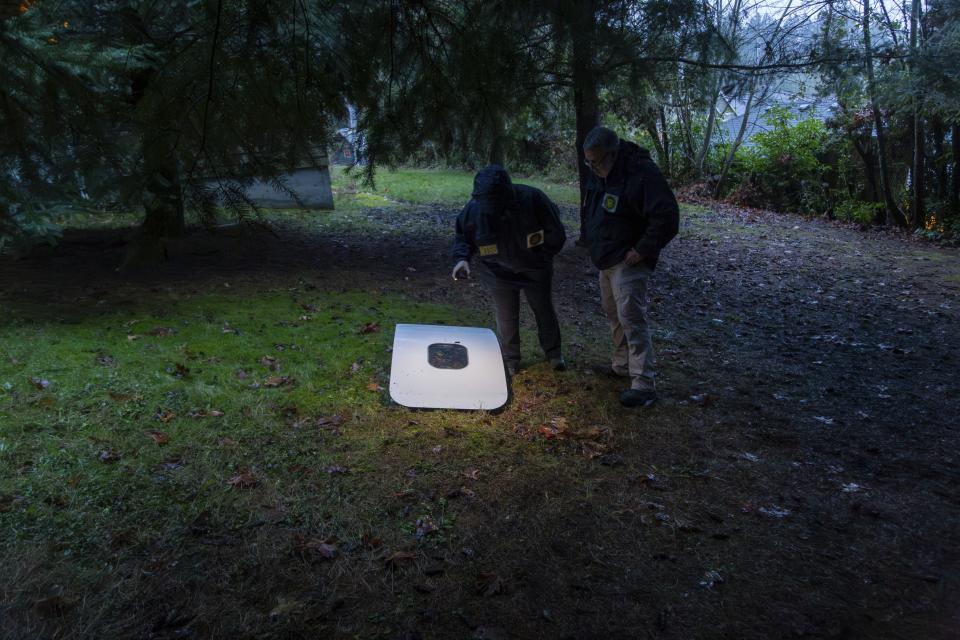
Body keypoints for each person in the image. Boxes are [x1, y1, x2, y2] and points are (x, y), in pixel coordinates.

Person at [580, 126, 679, 408]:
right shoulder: (599, 172)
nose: (592, 167)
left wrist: (642, 249)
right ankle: (622, 366)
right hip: (606, 258)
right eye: (588, 162)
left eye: (596, 161)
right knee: (614, 315)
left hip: (628, 260)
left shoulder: (641, 174)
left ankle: (643, 383)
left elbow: (667, 217)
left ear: (612, 154)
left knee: (632, 318)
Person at [452, 165, 567, 376]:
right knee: (506, 316)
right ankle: (510, 360)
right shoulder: (474, 210)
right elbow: (463, 238)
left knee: (543, 310)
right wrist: (462, 260)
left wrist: (539, 256)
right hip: (497, 272)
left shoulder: (533, 200)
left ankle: (554, 354)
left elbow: (556, 234)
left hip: (535, 269)